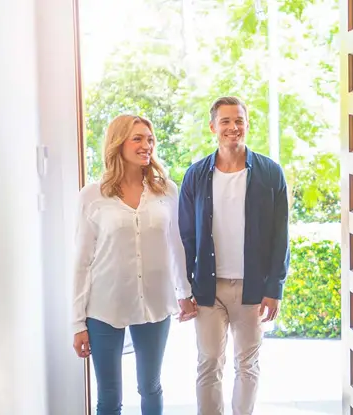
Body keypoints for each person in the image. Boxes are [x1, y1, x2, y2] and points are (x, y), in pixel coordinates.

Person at [71, 114, 198, 415]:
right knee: (109, 397)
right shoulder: (92, 196)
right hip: (104, 305)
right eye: (138, 138)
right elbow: (81, 262)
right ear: (118, 143)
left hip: (154, 303)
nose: (147, 145)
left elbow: (176, 244)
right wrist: (77, 323)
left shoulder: (166, 190)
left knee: (150, 386)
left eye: (150, 139)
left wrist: (185, 291)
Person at [178, 97, 290, 415]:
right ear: (213, 127)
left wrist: (274, 288)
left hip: (252, 288)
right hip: (208, 289)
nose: (233, 127)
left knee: (247, 363)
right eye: (225, 121)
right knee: (209, 361)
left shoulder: (270, 173)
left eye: (239, 120)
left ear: (247, 125)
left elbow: (281, 235)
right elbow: (185, 236)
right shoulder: (196, 175)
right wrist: (183, 289)